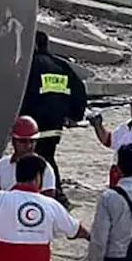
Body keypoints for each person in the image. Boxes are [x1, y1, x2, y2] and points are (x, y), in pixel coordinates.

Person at [0, 115, 59, 254]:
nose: (28, 146)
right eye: (23, 141)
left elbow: (49, 208)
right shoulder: (2, 165)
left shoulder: (45, 169)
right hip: (5, 233)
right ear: (13, 140)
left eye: (32, 141)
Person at [21, 31, 87, 209]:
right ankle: (50, 195)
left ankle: (56, 196)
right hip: (55, 124)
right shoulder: (61, 65)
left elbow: (23, 93)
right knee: (46, 155)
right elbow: (80, 90)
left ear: (34, 45)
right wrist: (75, 115)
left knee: (41, 158)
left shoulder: (31, 65)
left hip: (34, 124)